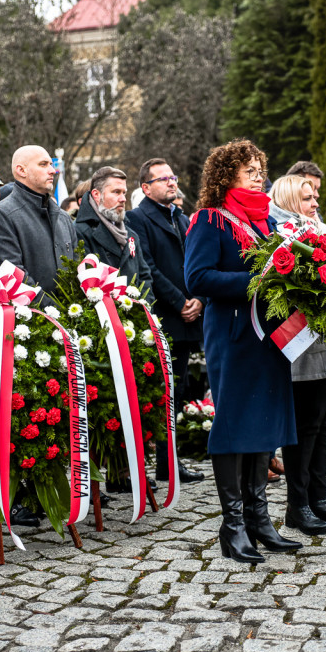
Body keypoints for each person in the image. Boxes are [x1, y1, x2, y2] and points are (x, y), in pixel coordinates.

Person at [184, 139, 300, 564]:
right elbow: (197, 277)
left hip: (268, 337)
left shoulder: (267, 220)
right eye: (248, 169)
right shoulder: (210, 220)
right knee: (235, 426)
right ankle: (231, 526)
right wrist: (255, 282)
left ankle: (259, 518)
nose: (257, 175)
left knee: (264, 424)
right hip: (233, 336)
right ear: (225, 175)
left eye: (259, 169)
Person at [268, 175, 326, 534]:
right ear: (291, 200)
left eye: (315, 197)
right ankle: (298, 504)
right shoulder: (282, 235)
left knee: (325, 428)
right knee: (306, 429)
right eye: (307, 198)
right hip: (306, 349)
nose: (315, 203)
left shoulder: (319, 229)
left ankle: (320, 499)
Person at [127, 158, 206, 484]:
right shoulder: (139, 217)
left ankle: (168, 462)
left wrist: (199, 298)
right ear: (146, 187)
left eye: (172, 177)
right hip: (163, 315)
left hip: (190, 314)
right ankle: (164, 461)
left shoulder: (182, 217)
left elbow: (195, 260)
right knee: (162, 391)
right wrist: (180, 301)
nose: (171, 183)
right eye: (163, 179)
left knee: (180, 387)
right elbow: (148, 267)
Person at [0, 145, 77, 297]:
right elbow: (14, 278)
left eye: (51, 165)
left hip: (71, 316)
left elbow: (76, 269)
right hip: (34, 317)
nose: (52, 170)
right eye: (43, 164)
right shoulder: (1, 215)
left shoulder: (63, 217)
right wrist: (56, 313)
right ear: (21, 171)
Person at [76, 166, 153, 287]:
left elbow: (144, 277)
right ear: (96, 195)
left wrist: (143, 305)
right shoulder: (79, 231)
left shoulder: (131, 234)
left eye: (124, 193)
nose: (123, 199)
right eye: (116, 192)